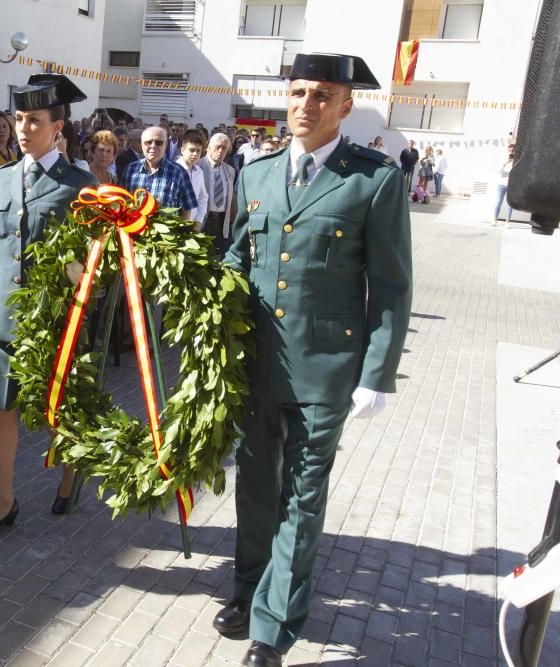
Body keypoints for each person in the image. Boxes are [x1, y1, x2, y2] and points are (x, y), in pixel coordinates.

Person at [214, 54, 412, 667]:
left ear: (345, 106)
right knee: (254, 483)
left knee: (301, 494)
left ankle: (274, 626)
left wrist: (378, 374)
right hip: (257, 364)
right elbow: (241, 257)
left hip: (326, 369)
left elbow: (392, 285)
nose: (305, 104)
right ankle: (250, 588)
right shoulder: (258, 173)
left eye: (322, 95)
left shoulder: (372, 181)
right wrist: (200, 287)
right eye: (297, 92)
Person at [0, 74, 95, 543]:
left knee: (61, 409)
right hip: (0, 314)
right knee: (0, 410)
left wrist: (82, 276)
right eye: (18, 119)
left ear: (57, 127)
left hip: (53, 318)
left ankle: (68, 472)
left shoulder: (80, 184)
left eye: (34, 121)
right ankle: (4, 501)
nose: (22, 129)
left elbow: (94, 258)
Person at [124, 126, 197, 219]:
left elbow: (187, 208)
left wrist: (181, 232)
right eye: (148, 142)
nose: (153, 146)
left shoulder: (179, 172)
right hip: (133, 230)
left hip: (167, 232)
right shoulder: (130, 170)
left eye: (158, 143)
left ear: (166, 145)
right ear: (142, 145)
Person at [199, 132, 237, 253]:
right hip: (202, 220)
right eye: (217, 147)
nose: (220, 151)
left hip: (221, 221)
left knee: (218, 256)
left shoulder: (230, 170)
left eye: (224, 148)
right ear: (208, 147)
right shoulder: (198, 166)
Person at [176, 130, 209, 226]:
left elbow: (203, 197)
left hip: (192, 224)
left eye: (198, 151)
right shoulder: (174, 170)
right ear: (182, 150)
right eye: (192, 150)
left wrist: (198, 221)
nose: (195, 154)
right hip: (175, 223)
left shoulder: (198, 171)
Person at [491, 143, 516, 227]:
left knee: (510, 204)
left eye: (513, 151)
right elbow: (498, 171)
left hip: (511, 185)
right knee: (498, 202)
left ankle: (507, 222)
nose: (511, 152)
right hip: (501, 184)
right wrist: (505, 163)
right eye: (510, 150)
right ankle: (494, 220)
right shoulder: (503, 159)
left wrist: (513, 162)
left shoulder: (516, 160)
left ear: (515, 151)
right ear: (507, 151)